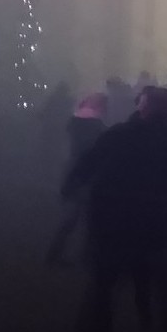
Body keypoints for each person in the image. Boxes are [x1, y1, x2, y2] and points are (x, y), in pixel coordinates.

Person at [62, 87, 167, 332]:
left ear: (142, 108)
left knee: (104, 284)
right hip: (159, 222)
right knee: (166, 288)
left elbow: (86, 166)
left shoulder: (119, 134)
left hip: (115, 220)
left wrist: (72, 188)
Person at [46, 92, 109, 266]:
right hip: (87, 172)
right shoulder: (96, 126)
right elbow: (95, 150)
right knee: (85, 217)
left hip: (73, 170)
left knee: (73, 216)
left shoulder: (74, 122)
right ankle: (81, 256)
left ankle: (56, 254)